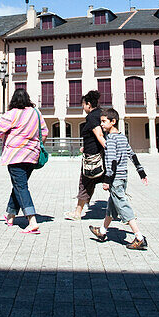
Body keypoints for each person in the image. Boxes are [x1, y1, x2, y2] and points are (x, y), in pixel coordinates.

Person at [0, 88, 49, 234]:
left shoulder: (11, 114)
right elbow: (44, 133)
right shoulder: (36, 113)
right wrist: (35, 145)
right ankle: (11, 216)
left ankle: (32, 221)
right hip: (32, 156)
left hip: (15, 156)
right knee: (19, 185)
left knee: (21, 187)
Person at [89, 108, 149, 249]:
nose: (102, 125)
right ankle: (102, 231)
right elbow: (132, 154)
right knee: (112, 206)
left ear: (113, 121)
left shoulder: (110, 139)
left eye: (104, 122)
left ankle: (139, 237)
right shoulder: (122, 137)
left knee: (122, 206)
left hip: (115, 179)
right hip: (123, 178)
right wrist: (142, 173)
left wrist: (107, 181)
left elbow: (112, 162)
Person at [66, 91, 106, 221]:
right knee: (108, 183)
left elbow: (99, 134)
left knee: (84, 183)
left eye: (83, 104)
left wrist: (109, 149)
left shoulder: (92, 117)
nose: (83, 107)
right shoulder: (100, 114)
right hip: (97, 154)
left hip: (93, 158)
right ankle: (125, 214)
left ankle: (77, 213)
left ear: (88, 104)